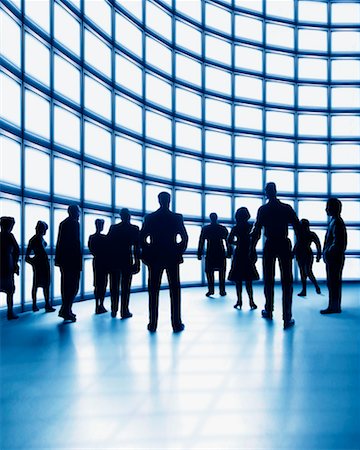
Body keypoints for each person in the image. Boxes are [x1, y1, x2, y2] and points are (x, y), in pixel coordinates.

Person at [252, 182, 300, 329]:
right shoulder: (285, 208)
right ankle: (287, 316)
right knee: (287, 281)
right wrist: (298, 246)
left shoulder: (263, 210)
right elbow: (298, 227)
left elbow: (257, 231)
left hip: (270, 244)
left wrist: (251, 248)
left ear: (266, 192)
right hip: (284, 244)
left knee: (268, 279)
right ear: (276, 191)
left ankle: (269, 309)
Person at [140, 192, 188, 332]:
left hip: (155, 257)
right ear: (169, 201)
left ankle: (152, 323)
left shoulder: (150, 218)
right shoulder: (177, 218)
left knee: (153, 291)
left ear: (158, 200)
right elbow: (184, 238)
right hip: (172, 257)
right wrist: (178, 250)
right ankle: (176, 323)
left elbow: (142, 238)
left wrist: (149, 251)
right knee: (175, 290)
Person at [107, 208, 140, 319]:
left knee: (114, 286)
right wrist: (137, 262)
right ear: (129, 216)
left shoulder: (114, 228)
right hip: (127, 260)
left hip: (114, 260)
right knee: (126, 287)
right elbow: (136, 248)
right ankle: (124, 310)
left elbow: (109, 245)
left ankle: (114, 309)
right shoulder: (134, 229)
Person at [55, 204, 82, 322]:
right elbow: (75, 243)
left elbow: (59, 242)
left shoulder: (63, 223)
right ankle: (66, 310)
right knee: (73, 286)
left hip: (64, 261)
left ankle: (65, 309)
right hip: (73, 260)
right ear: (75, 212)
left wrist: (58, 260)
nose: (79, 214)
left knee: (65, 286)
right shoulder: (75, 224)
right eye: (79, 212)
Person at [228, 207, 259, 310]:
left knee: (238, 280)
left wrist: (238, 243)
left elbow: (229, 240)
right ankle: (251, 301)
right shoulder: (250, 227)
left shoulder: (235, 228)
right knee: (248, 279)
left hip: (239, 253)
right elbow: (254, 239)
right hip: (248, 253)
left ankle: (239, 301)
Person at [321, 198, 347, 315]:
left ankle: (334, 306)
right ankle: (334, 305)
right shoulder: (335, 221)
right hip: (333, 258)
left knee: (333, 282)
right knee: (333, 282)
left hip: (334, 259)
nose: (326, 209)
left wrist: (328, 253)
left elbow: (337, 243)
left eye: (328, 207)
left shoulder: (336, 223)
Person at [197, 213, 230, 297]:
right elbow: (227, 241)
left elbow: (201, 241)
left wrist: (199, 253)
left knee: (209, 272)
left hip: (210, 251)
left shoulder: (206, 229)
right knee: (222, 271)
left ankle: (211, 290)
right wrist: (229, 252)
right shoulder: (222, 228)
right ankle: (222, 290)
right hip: (220, 251)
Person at [25, 221, 55, 313]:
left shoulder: (38, 239)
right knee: (37, 284)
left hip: (43, 264)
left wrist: (34, 262)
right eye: (45, 229)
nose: (45, 231)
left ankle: (45, 304)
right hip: (40, 264)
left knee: (45, 284)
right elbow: (27, 257)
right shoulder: (34, 240)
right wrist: (34, 262)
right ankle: (36, 305)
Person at [293, 219, 322, 297]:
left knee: (307, 271)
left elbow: (318, 244)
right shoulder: (309, 234)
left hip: (305, 253)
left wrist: (319, 254)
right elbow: (317, 244)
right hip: (303, 253)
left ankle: (315, 287)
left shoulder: (307, 234)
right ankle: (306, 289)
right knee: (304, 272)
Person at [0, 216, 20, 320]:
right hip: (8, 264)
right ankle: (10, 312)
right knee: (10, 290)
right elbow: (17, 249)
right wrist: (15, 262)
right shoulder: (10, 236)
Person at [88, 219, 108, 315]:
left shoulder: (92, 237)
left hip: (97, 261)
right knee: (103, 284)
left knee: (97, 283)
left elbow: (91, 249)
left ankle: (97, 305)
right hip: (104, 261)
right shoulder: (105, 238)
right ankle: (101, 304)